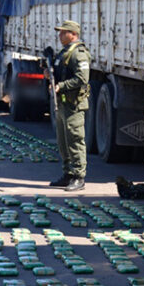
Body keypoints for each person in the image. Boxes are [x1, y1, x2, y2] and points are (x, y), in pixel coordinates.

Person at [46, 20, 90, 192]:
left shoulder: (79, 53)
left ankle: (79, 177)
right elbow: (60, 73)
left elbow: (82, 78)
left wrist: (61, 86)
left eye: (63, 32)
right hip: (63, 103)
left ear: (73, 34)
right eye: (60, 32)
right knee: (63, 142)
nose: (60, 35)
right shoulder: (63, 53)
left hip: (74, 104)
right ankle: (68, 174)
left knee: (75, 140)